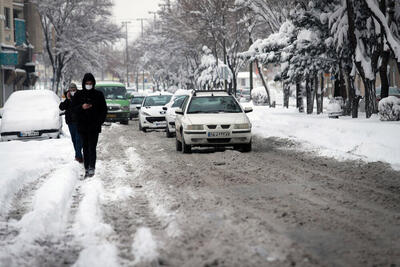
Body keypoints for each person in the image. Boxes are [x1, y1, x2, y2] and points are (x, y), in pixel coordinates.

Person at [72, 73, 107, 178]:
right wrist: (82, 107)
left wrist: (99, 121)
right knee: (85, 147)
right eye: (87, 83)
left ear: (93, 83)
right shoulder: (78, 95)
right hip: (82, 126)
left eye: (90, 83)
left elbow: (104, 110)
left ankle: (92, 167)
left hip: (94, 126)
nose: (88, 85)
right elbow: (73, 109)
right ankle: (87, 167)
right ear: (83, 83)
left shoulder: (98, 94)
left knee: (92, 147)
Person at [59, 83, 83, 163]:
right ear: (69, 90)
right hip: (70, 122)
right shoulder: (67, 97)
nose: (73, 91)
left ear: (76, 89)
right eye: (71, 90)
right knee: (74, 139)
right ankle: (79, 154)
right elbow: (61, 107)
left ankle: (78, 156)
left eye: (74, 90)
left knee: (78, 138)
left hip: (79, 121)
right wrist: (65, 99)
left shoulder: (80, 96)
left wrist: (70, 99)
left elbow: (77, 106)